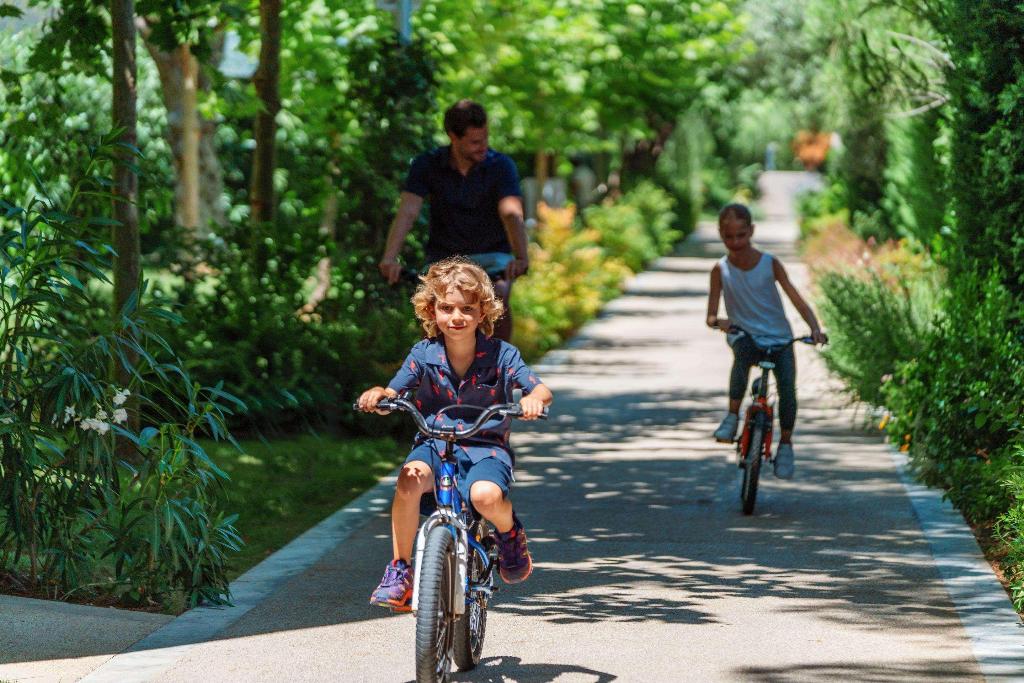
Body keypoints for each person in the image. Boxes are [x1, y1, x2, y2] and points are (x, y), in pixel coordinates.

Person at [358, 257, 553, 611]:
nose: (456, 317)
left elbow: (539, 389)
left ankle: (509, 534)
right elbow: (394, 391)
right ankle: (400, 569)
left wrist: (532, 401)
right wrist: (379, 396)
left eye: (467, 308)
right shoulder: (423, 354)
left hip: (485, 447)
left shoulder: (502, 355)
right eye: (446, 308)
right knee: (408, 480)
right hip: (435, 442)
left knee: (485, 497)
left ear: (483, 313)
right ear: (432, 312)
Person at [378, 100, 530, 341]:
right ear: (453, 137)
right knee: (433, 314)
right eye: (475, 142)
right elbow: (408, 211)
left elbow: (511, 212)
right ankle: (435, 372)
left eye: (486, 139)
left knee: (497, 305)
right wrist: (389, 257)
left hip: (492, 257)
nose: (484, 147)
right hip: (443, 258)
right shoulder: (427, 165)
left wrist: (521, 257)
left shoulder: (501, 166)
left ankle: (501, 371)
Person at [705, 203, 826, 479]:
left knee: (787, 390)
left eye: (741, 235)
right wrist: (719, 322)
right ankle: (732, 416)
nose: (735, 242)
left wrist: (815, 328)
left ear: (751, 231)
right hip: (745, 335)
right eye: (729, 237)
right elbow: (710, 316)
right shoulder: (720, 270)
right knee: (742, 356)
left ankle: (785, 445)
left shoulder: (770, 264)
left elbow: (797, 300)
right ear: (721, 235)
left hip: (779, 337)